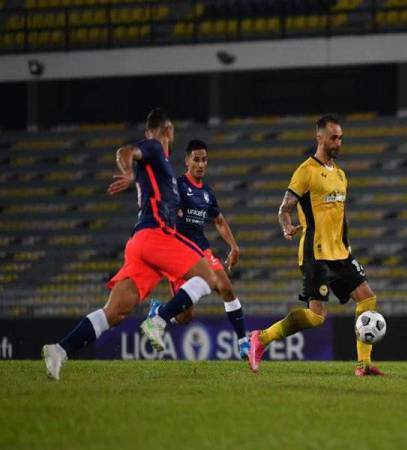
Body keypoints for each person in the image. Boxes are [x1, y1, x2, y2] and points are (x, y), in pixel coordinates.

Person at [42, 108, 217, 380]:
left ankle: (59, 350)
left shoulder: (162, 168)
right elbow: (124, 151)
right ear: (168, 130)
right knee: (210, 276)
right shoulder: (155, 148)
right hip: (155, 236)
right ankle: (158, 318)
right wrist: (128, 172)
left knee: (114, 312)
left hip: (140, 245)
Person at [247, 114, 384, 377]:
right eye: (334, 137)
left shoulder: (342, 175)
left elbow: (340, 216)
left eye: (341, 138)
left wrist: (346, 244)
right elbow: (284, 208)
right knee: (317, 317)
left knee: (367, 298)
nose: (338, 143)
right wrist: (286, 226)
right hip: (316, 253)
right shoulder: (305, 171)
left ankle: (363, 366)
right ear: (319, 137)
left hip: (341, 252)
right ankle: (260, 338)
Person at [147, 139, 249, 358]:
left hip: (201, 249)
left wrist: (234, 246)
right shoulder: (177, 186)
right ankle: (160, 313)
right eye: (197, 160)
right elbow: (160, 207)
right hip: (179, 252)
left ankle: (243, 342)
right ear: (187, 161)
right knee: (185, 317)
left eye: (204, 160)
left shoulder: (207, 193)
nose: (201, 164)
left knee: (226, 288)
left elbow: (219, 221)